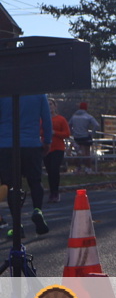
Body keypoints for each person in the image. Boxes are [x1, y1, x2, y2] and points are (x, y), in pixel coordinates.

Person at [0, 94, 51, 235]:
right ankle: (37, 210)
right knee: (35, 181)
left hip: (6, 144)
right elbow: (46, 119)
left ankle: (17, 225)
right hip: (31, 144)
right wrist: (47, 141)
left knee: (11, 185)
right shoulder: (39, 93)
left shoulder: (3, 91)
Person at [45, 99, 70, 203]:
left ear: (55, 106)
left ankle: (55, 192)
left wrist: (55, 132)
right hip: (46, 148)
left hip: (58, 148)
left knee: (54, 169)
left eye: (51, 104)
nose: (49, 106)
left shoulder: (61, 119)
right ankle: (51, 192)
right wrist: (46, 132)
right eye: (47, 105)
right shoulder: (42, 119)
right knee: (49, 171)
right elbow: (39, 131)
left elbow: (67, 133)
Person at [68, 102, 99, 173]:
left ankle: (78, 167)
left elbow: (69, 125)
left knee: (77, 153)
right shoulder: (88, 116)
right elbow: (97, 125)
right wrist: (92, 133)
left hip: (76, 137)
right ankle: (88, 168)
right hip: (85, 137)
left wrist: (72, 132)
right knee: (87, 153)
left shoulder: (74, 116)